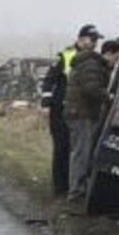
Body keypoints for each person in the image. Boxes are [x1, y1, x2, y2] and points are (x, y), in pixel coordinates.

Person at [41, 25, 99, 196]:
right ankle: (60, 187)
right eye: (92, 39)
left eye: (96, 40)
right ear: (81, 39)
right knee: (62, 146)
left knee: (75, 148)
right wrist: (46, 103)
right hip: (60, 108)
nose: (95, 43)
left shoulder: (91, 59)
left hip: (76, 109)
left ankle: (71, 184)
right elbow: (49, 80)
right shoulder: (66, 56)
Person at [64, 32, 116, 204]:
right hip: (82, 114)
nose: (116, 62)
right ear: (110, 53)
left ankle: (77, 188)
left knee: (79, 152)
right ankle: (76, 191)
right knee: (81, 153)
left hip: (77, 112)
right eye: (117, 57)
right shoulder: (92, 65)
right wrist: (108, 97)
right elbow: (91, 88)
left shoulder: (89, 63)